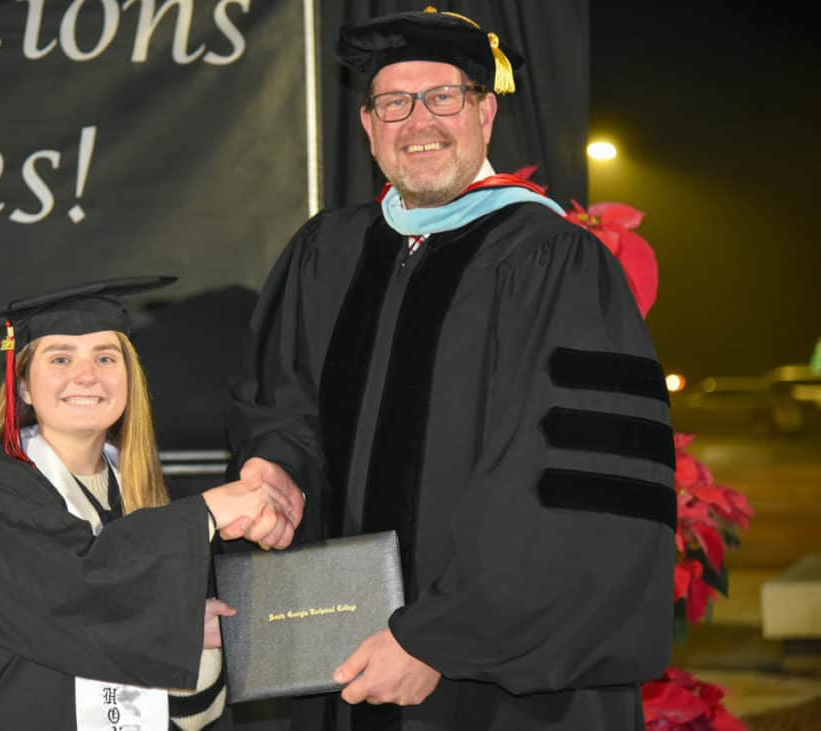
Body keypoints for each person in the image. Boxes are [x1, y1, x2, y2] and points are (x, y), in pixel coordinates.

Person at [227, 7, 676, 731]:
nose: (419, 122)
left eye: (443, 97)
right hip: (347, 662)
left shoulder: (555, 264)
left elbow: (564, 484)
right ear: (369, 126)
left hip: (501, 688)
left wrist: (436, 636)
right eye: (394, 103)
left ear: (486, 113)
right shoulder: (327, 255)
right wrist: (274, 468)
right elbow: (283, 402)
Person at [0, 276, 303, 731]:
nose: (86, 375)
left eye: (106, 357)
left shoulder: (135, 493)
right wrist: (204, 514)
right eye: (60, 358)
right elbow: (70, 590)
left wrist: (196, 636)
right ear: (24, 386)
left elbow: (180, 697)